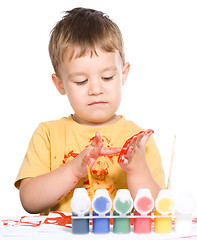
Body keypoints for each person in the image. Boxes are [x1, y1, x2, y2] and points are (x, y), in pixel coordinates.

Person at [15, 7, 165, 214]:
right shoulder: (48, 135)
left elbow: (160, 210)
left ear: (123, 74)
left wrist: (137, 170)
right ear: (60, 84)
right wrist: (74, 169)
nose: (96, 89)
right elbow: (30, 202)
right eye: (81, 81)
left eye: (107, 78)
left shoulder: (138, 141)